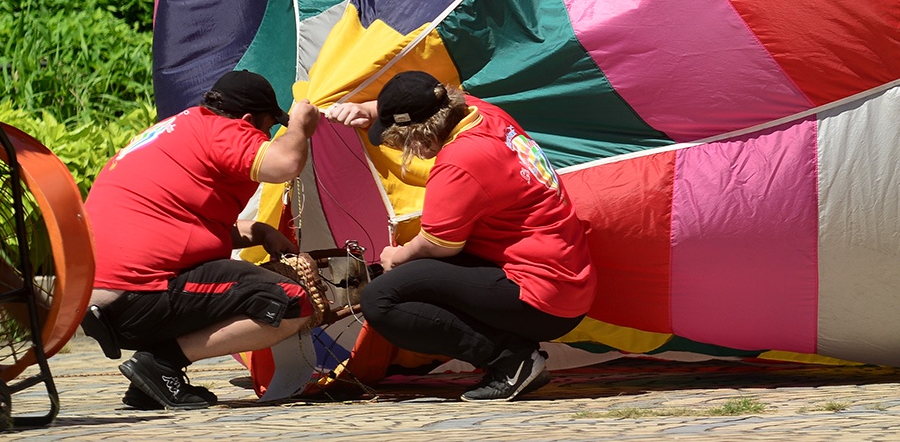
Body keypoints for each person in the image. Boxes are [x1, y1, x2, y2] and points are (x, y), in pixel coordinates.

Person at [327, 72, 594, 403]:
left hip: (541, 296)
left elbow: (437, 245)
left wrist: (398, 255)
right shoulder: (480, 113)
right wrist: (371, 111)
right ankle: (511, 353)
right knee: (405, 280)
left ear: (418, 135)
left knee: (381, 299)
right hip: (563, 280)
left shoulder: (460, 162)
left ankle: (510, 362)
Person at [81, 70, 323, 410]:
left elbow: (175, 222)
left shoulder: (180, 127)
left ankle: (152, 382)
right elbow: (285, 163)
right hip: (137, 294)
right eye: (269, 127)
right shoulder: (225, 130)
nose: (267, 136)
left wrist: (256, 231)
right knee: (290, 303)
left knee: (225, 280)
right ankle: (161, 363)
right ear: (248, 119)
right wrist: (299, 125)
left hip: (101, 301)